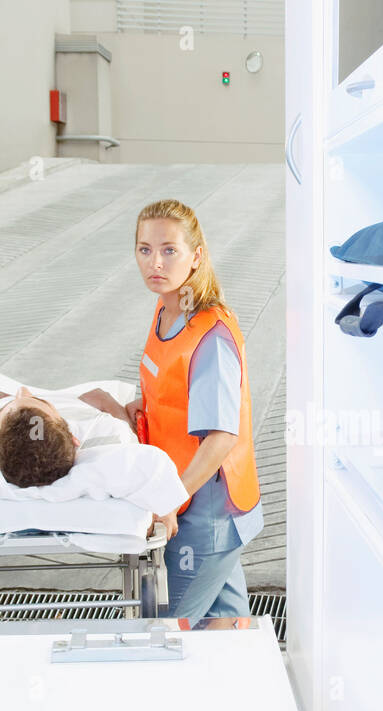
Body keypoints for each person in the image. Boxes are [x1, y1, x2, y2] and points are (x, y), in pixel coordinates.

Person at [79, 199, 262, 623]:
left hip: (206, 510)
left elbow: (220, 437)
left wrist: (168, 499)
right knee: (226, 625)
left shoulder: (210, 335)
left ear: (196, 256)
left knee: (165, 628)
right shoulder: (166, 308)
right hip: (195, 502)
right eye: (144, 250)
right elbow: (172, 394)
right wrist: (128, 410)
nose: (154, 262)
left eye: (168, 250)